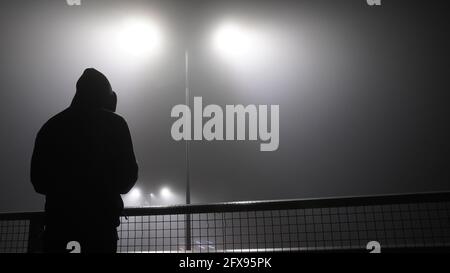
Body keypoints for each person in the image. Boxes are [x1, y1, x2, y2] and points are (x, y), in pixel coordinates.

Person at [30, 68, 138, 253]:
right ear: (107, 97)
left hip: (58, 228)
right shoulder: (116, 124)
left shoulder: (51, 126)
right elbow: (126, 180)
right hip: (100, 230)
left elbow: (38, 182)